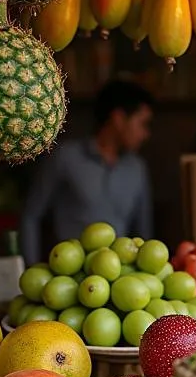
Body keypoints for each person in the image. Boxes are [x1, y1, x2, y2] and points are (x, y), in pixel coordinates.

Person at [20, 79, 154, 262]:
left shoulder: (137, 168)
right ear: (118, 119)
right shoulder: (66, 157)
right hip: (68, 275)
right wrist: (31, 266)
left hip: (120, 279)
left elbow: (144, 232)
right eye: (143, 124)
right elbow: (31, 215)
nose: (145, 134)